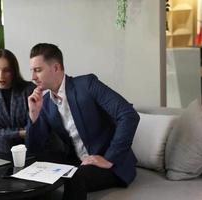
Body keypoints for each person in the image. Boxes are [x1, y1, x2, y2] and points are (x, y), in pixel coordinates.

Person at [26, 43, 140, 200]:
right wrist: (34, 114)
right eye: (32, 70)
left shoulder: (87, 85)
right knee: (31, 169)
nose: (32, 77)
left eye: (38, 70)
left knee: (74, 177)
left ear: (56, 68)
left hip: (110, 165)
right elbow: (34, 150)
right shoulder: (45, 103)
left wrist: (109, 158)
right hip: (77, 163)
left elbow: (128, 115)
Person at [0, 49, 35, 153]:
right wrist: (20, 132)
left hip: (29, 145)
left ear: (13, 71)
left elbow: (31, 129)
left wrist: (7, 133)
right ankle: (0, 169)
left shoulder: (29, 90)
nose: (0, 76)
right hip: (3, 146)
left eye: (6, 70)